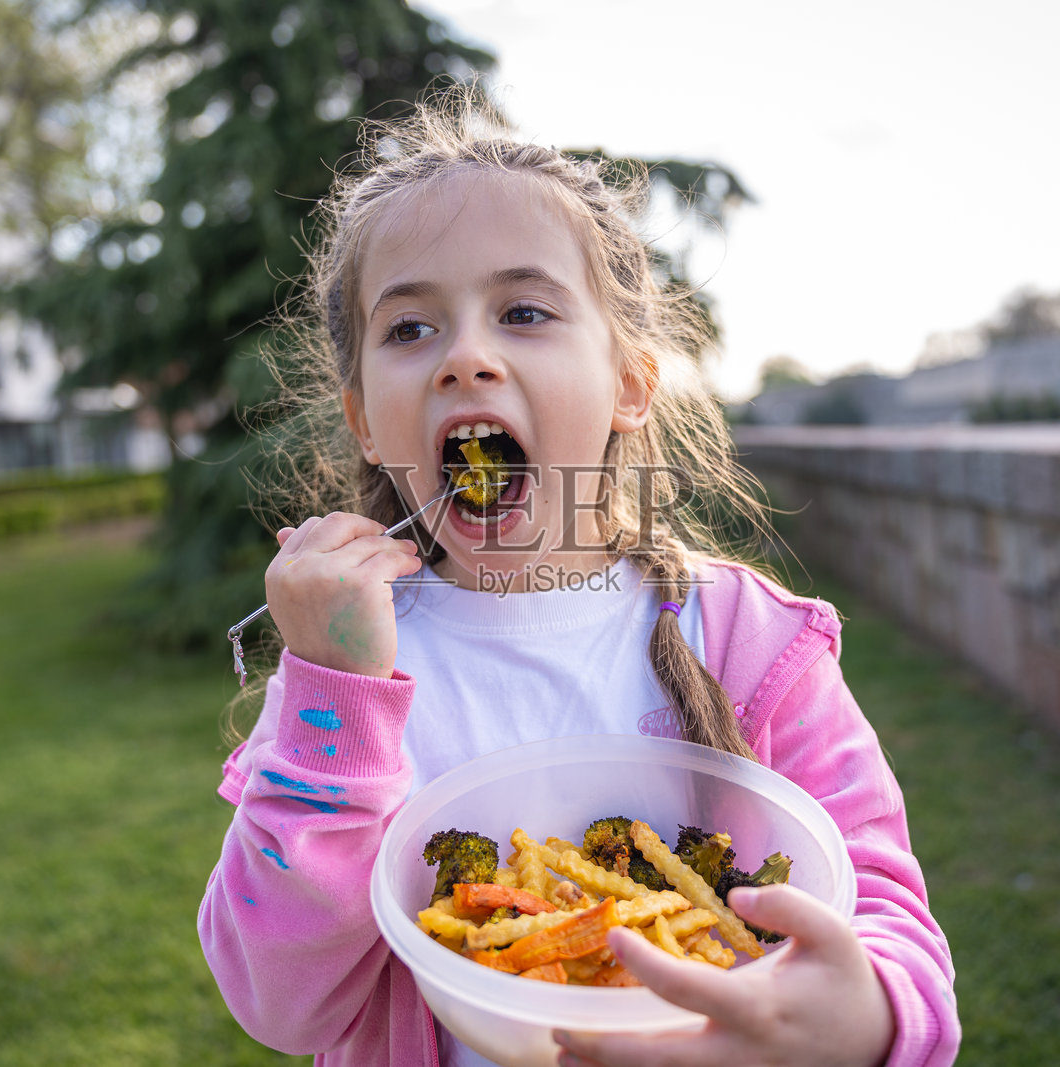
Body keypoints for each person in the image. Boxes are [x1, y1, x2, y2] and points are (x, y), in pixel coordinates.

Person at [198, 93, 959, 1067]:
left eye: (522, 311)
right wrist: (331, 694)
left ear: (631, 384)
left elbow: (886, 916)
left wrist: (864, 1017)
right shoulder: (347, 672)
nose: (465, 357)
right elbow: (277, 1003)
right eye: (409, 329)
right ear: (363, 420)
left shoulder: (748, 639)